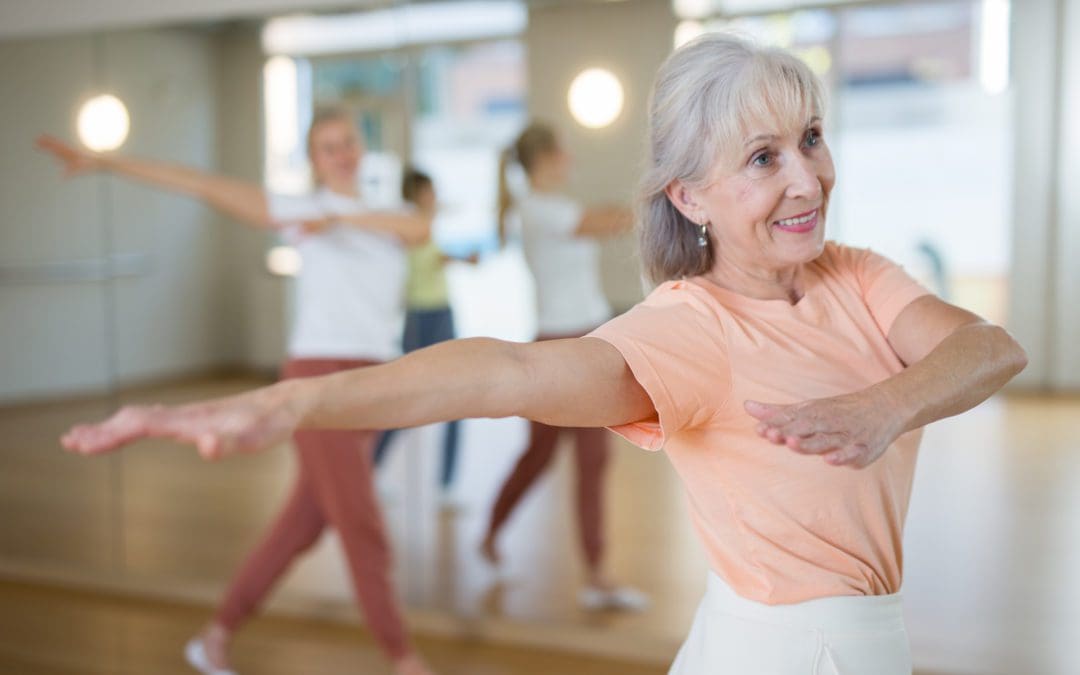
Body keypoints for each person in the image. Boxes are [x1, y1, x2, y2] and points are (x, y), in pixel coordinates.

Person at [61, 34, 1027, 674]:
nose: (807, 174)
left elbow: (990, 347)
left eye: (810, 138)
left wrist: (883, 405)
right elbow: (503, 371)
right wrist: (288, 406)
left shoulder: (856, 273)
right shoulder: (692, 326)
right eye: (762, 157)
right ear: (688, 196)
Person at [40, 107, 435, 675]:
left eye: (347, 142)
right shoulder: (302, 211)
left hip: (371, 379)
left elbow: (419, 230)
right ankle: (403, 658)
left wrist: (342, 220)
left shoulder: (387, 214)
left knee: (305, 522)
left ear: (362, 147)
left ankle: (216, 637)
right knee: (361, 523)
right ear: (314, 159)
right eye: (327, 147)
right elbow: (204, 185)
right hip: (317, 374)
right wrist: (107, 161)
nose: (341, 153)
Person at [487, 122, 645, 611]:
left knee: (593, 460)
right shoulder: (537, 211)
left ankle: (596, 573)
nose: (570, 155)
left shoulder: (552, 207)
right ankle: (492, 529)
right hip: (559, 346)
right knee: (540, 457)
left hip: (592, 339)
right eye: (565, 149)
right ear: (549, 157)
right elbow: (610, 221)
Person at [372, 168, 474, 502]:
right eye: (428, 191)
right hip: (418, 319)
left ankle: (447, 485)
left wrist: (462, 258)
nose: (434, 196)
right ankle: (371, 471)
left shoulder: (427, 226)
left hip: (442, 314)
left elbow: (436, 256)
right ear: (415, 194)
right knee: (404, 402)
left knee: (459, 398)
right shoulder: (410, 229)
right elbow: (423, 257)